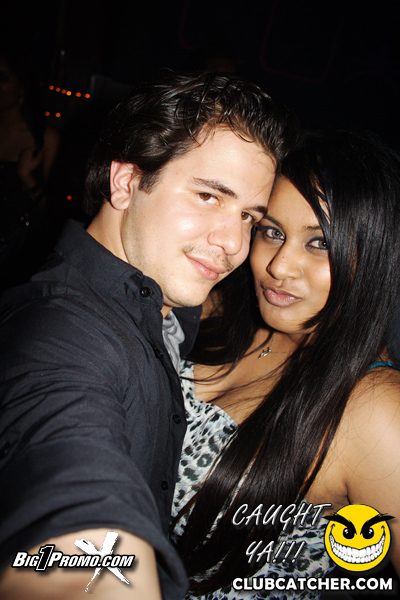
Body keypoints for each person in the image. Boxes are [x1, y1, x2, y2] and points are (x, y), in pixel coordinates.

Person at [0, 71, 296, 599]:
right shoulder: (58, 332)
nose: (233, 243)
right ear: (126, 182)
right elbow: (78, 552)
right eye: (208, 196)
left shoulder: (167, 303)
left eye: (249, 218)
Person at [171, 129, 400, 599]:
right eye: (272, 232)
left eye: (319, 244)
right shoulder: (218, 312)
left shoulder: (376, 410)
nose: (278, 266)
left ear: (377, 254)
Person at [0, 48, 60, 290]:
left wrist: (26, 177)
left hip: (14, 258)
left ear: (22, 87)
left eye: (2, 78)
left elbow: (53, 211)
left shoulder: (44, 139)